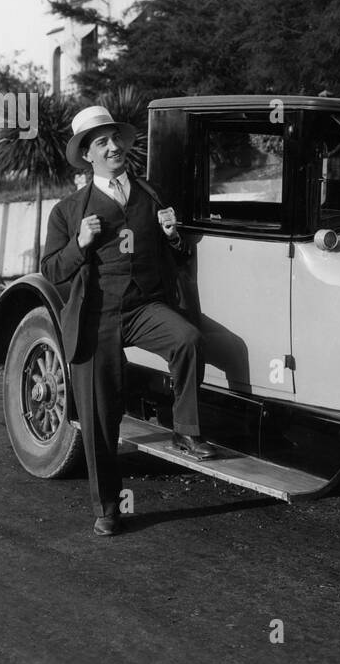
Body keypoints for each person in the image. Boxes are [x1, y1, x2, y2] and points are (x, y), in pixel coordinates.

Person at [41, 105, 221, 536]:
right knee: (101, 416)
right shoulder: (68, 211)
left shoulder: (149, 195)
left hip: (143, 308)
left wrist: (174, 236)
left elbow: (176, 256)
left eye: (116, 138)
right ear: (88, 155)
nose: (114, 146)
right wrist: (80, 244)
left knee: (187, 339)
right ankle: (108, 508)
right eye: (101, 142)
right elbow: (51, 271)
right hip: (96, 317)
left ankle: (185, 430)